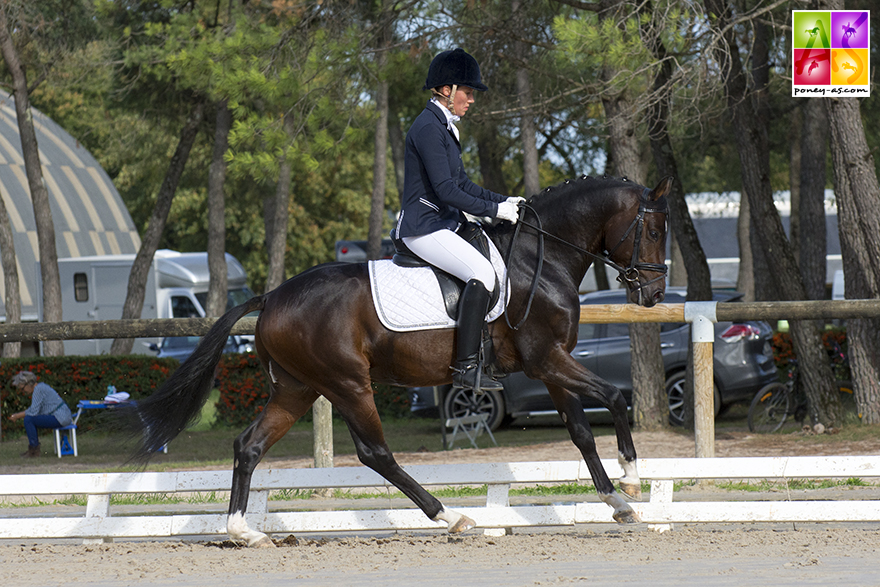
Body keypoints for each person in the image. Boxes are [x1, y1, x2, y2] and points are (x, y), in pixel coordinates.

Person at [394, 47, 524, 392]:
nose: (472, 100)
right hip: (423, 227)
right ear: (446, 90)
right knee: (482, 272)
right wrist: (494, 212)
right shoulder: (427, 127)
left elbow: (463, 184)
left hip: (443, 223)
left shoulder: (446, 126)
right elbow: (447, 190)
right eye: (468, 92)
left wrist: (504, 199)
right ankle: (466, 368)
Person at [7, 371, 73, 458]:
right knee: (29, 418)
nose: (23, 391)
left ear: (28, 384)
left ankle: (34, 451)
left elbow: (33, 412)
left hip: (60, 417)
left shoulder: (38, 390)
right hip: (62, 416)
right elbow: (35, 410)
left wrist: (17, 416)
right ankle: (33, 450)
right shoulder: (41, 387)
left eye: (22, 389)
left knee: (28, 419)